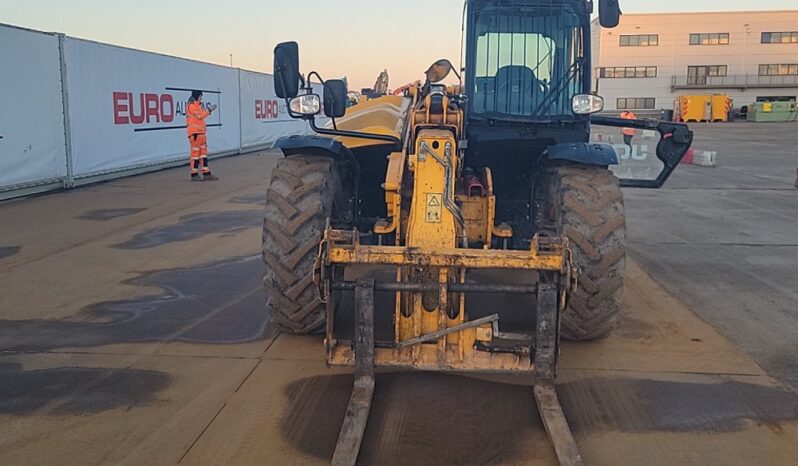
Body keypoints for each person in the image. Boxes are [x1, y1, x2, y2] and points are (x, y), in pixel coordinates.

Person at [186, 90, 218, 181]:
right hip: (195, 133)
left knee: (203, 154)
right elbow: (200, 116)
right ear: (198, 96)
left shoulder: (197, 105)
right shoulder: (191, 106)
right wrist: (209, 110)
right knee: (195, 154)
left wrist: (208, 111)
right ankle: (194, 174)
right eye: (201, 96)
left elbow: (200, 116)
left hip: (201, 133)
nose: (201, 98)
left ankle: (206, 173)